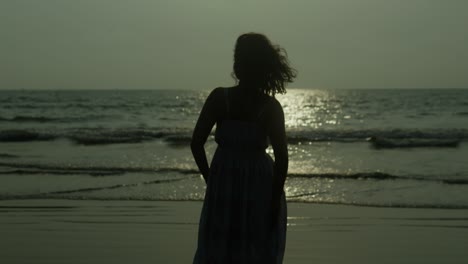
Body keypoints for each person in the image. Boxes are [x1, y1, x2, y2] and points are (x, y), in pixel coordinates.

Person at [191, 32, 296, 264]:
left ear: (238, 66)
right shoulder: (271, 107)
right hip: (260, 182)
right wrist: (274, 200)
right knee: (255, 249)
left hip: (224, 179)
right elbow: (282, 159)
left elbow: (196, 143)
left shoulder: (220, 98)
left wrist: (212, 180)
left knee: (218, 248)